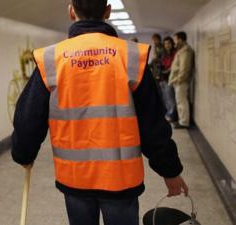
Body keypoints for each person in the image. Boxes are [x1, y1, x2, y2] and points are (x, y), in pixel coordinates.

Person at [11, 1, 188, 225]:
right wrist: (170, 170)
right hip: (121, 182)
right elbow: (153, 125)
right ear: (108, 11)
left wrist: (23, 153)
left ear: (71, 11)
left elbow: (28, 118)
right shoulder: (132, 56)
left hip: (75, 180)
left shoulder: (51, 59)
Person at [168, 31, 194, 129]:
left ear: (180, 39)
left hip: (181, 82)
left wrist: (179, 80)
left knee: (182, 102)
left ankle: (184, 122)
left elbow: (184, 68)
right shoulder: (182, 50)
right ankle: (181, 120)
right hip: (178, 81)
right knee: (179, 102)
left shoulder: (186, 51)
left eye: (175, 39)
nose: (175, 42)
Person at [160, 37, 178, 123]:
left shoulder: (175, 54)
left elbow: (174, 66)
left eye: (169, 43)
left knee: (171, 99)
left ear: (172, 44)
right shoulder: (164, 54)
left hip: (170, 78)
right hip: (163, 78)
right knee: (165, 98)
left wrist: (167, 70)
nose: (167, 45)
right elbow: (162, 64)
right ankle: (168, 114)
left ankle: (172, 115)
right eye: (165, 44)